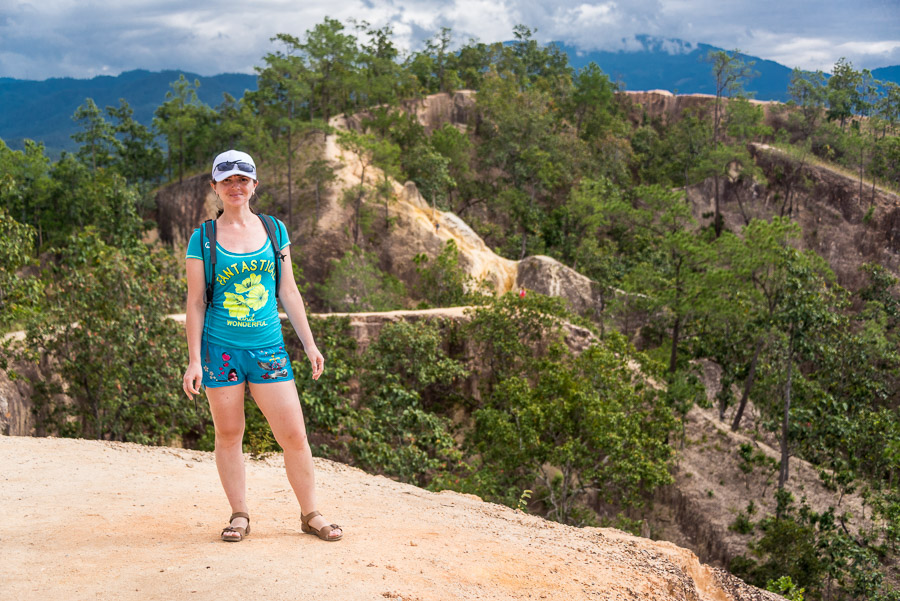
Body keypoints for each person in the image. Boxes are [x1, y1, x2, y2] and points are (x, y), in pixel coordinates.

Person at [182, 150, 342, 542]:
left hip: (268, 349)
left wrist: (309, 344)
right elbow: (195, 302)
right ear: (215, 188)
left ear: (255, 184)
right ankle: (239, 515)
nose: (235, 187)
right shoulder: (202, 238)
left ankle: (311, 514)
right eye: (227, 180)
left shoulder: (274, 231)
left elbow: (288, 290)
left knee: (293, 434)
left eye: (243, 179)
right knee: (229, 433)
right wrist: (193, 361)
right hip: (221, 351)